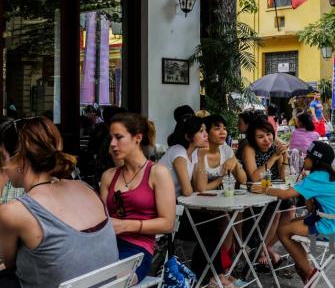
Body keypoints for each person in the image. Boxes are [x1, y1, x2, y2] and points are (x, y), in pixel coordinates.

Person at [0, 117, 118, 288]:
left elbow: (9, 263)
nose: (4, 167)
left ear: (20, 161)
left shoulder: (14, 211)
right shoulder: (85, 188)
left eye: (4, 158)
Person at [250, 141, 335, 285]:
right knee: (291, 224)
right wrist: (307, 193)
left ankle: (309, 272)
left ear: (316, 160)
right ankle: (302, 266)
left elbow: (286, 195)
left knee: (283, 231)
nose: (304, 159)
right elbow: (311, 208)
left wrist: (263, 189)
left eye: (307, 157)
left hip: (334, 230)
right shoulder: (328, 175)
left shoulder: (316, 177)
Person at [100, 113, 176, 282]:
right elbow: (101, 219)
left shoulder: (157, 173)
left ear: (138, 138)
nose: (112, 144)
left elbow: (167, 223)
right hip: (106, 246)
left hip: (137, 249)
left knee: (110, 282)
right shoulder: (109, 176)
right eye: (111, 138)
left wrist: (126, 225)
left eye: (119, 137)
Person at [192, 115, 247, 287]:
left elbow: (244, 180)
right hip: (197, 205)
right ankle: (221, 270)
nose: (222, 131)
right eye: (217, 128)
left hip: (220, 202)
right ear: (207, 133)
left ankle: (226, 267)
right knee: (224, 216)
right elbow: (200, 188)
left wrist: (235, 161)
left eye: (224, 127)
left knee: (237, 213)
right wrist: (221, 178)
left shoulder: (226, 150)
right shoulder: (199, 152)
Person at [241, 118, 291, 266]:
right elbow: (254, 177)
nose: (266, 139)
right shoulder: (249, 149)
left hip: (274, 190)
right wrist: (274, 157)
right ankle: (261, 248)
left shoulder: (276, 147)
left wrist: (284, 156)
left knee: (291, 210)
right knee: (276, 212)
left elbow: (283, 177)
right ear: (253, 138)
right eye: (260, 136)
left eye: (269, 134)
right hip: (256, 192)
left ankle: (267, 246)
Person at [159, 116, 207, 197]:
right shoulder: (178, 151)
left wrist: (201, 157)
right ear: (188, 137)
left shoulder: (194, 153)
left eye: (205, 130)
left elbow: (199, 188)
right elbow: (187, 191)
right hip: (158, 201)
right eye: (201, 131)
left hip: (173, 201)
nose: (206, 134)